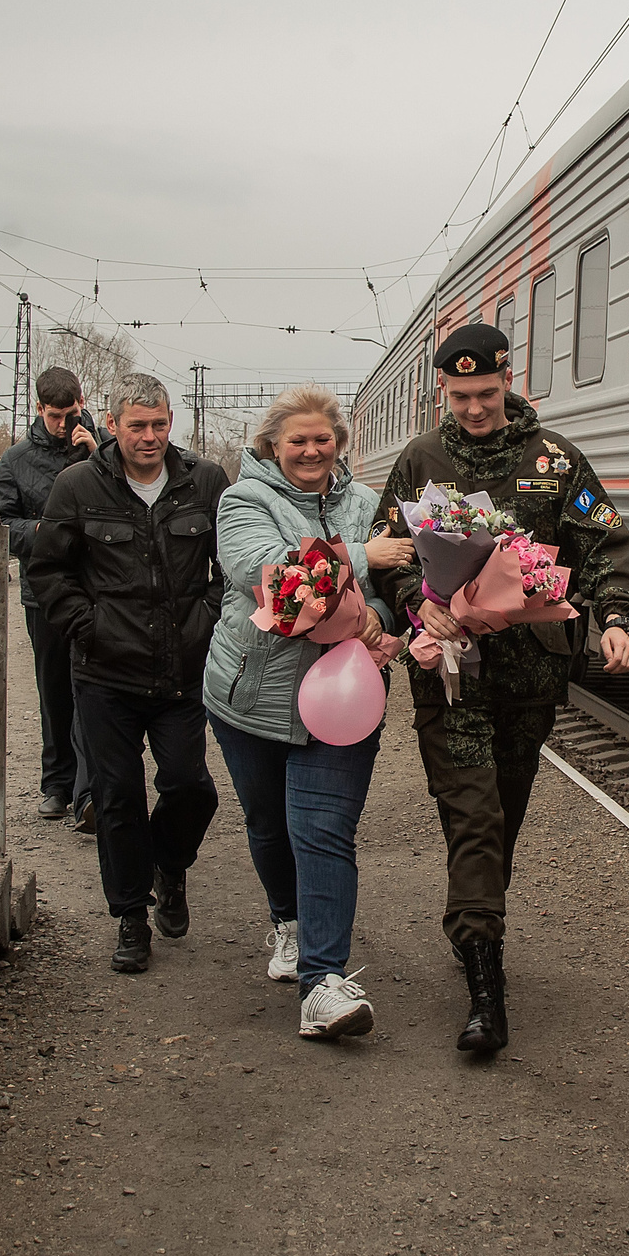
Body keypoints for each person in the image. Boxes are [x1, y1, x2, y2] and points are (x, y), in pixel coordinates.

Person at [367, 322, 629, 1054]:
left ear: (507, 380)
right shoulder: (420, 460)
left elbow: (603, 543)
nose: (475, 408)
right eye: (460, 396)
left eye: (485, 393)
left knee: (503, 818)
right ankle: (486, 988)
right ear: (442, 390)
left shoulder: (554, 460)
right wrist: (415, 600)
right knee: (475, 818)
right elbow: (391, 553)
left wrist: (616, 618)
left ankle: (475, 924)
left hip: (529, 679)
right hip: (450, 677)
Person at [204, 385, 395, 1041]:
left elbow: (399, 586)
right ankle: (287, 920)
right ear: (272, 445)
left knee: (322, 829)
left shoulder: (367, 504)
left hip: (342, 701)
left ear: (338, 443)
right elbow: (271, 578)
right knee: (268, 824)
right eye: (298, 440)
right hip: (252, 699)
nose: (312, 450)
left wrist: (380, 613)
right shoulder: (243, 500)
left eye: (323, 439)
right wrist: (365, 557)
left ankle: (323, 983)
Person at [28, 373, 228, 974]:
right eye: (137, 426)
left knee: (190, 787)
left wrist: (206, 620)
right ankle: (131, 917)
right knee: (117, 797)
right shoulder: (78, 485)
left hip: (180, 670)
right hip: (105, 675)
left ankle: (170, 864)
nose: (150, 437)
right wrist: (87, 626)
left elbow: (232, 565)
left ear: (172, 423)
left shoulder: (204, 482)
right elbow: (49, 572)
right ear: (112, 425)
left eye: (159, 425)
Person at [0, 368, 100, 826]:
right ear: (39, 409)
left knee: (95, 689)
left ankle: (90, 792)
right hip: (45, 594)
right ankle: (57, 784)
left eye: (69, 413)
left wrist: (98, 452)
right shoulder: (16, 460)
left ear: (81, 403)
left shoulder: (104, 449)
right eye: (55, 415)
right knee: (54, 690)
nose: (62, 423)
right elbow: (0, 525)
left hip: (99, 589)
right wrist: (44, 531)